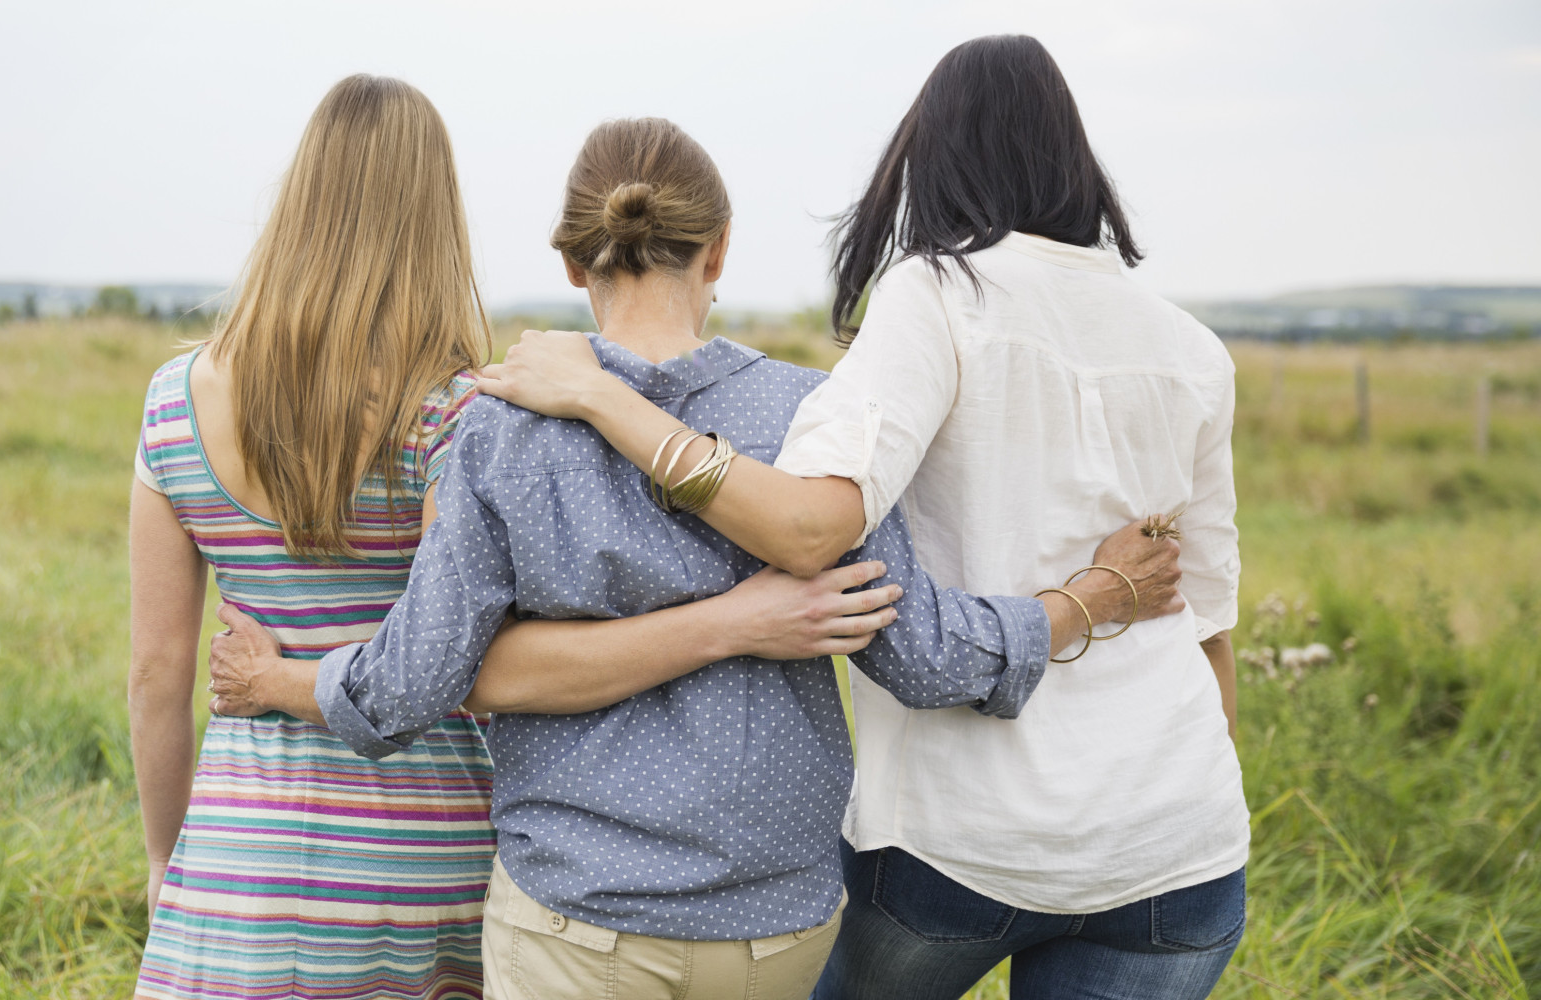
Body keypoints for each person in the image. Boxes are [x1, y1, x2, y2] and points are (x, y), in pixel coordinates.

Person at [206, 115, 1184, 1000]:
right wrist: (1088, 600)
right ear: (716, 251)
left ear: (570, 259)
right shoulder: (812, 417)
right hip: (771, 926)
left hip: (569, 920)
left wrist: (273, 677)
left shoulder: (498, 428)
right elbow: (923, 653)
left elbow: (413, 681)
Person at [475, 36, 1249, 1000]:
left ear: (930, 161)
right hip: (1181, 843)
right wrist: (1176, 787)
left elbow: (811, 530)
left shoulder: (940, 294)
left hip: (968, 838)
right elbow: (1208, 619)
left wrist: (606, 400)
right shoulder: (1193, 348)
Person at [125, 75, 502, 1000]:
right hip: (429, 852)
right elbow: (462, 653)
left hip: (236, 853)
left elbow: (156, 670)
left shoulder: (176, 399)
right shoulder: (451, 411)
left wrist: (167, 856)